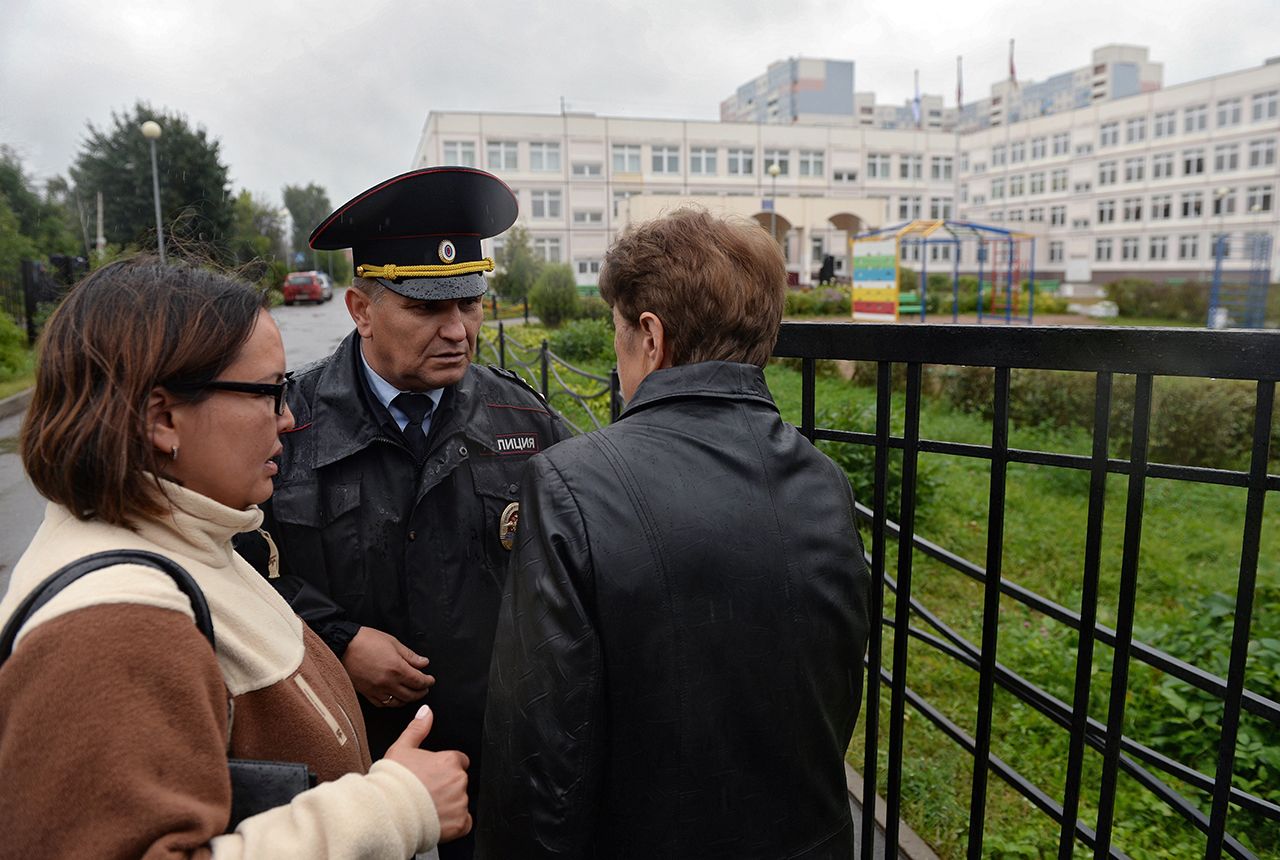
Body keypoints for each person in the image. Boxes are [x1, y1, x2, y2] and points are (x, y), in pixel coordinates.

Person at [0, 258, 471, 857]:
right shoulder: (110, 624)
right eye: (269, 392)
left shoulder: (191, 539)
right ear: (162, 419)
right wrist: (394, 807)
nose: (289, 417)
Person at [477, 208, 873, 858]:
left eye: (617, 332)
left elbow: (540, 753)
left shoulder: (570, 485)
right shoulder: (825, 481)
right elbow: (834, 690)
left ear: (651, 337)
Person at [251, 167, 571, 857]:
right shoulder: (287, 425)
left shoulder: (523, 419)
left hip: (489, 757)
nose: (458, 330)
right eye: (427, 309)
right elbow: (236, 567)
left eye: (470, 303)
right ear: (361, 309)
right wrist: (338, 640)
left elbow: (582, 557)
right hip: (343, 762)